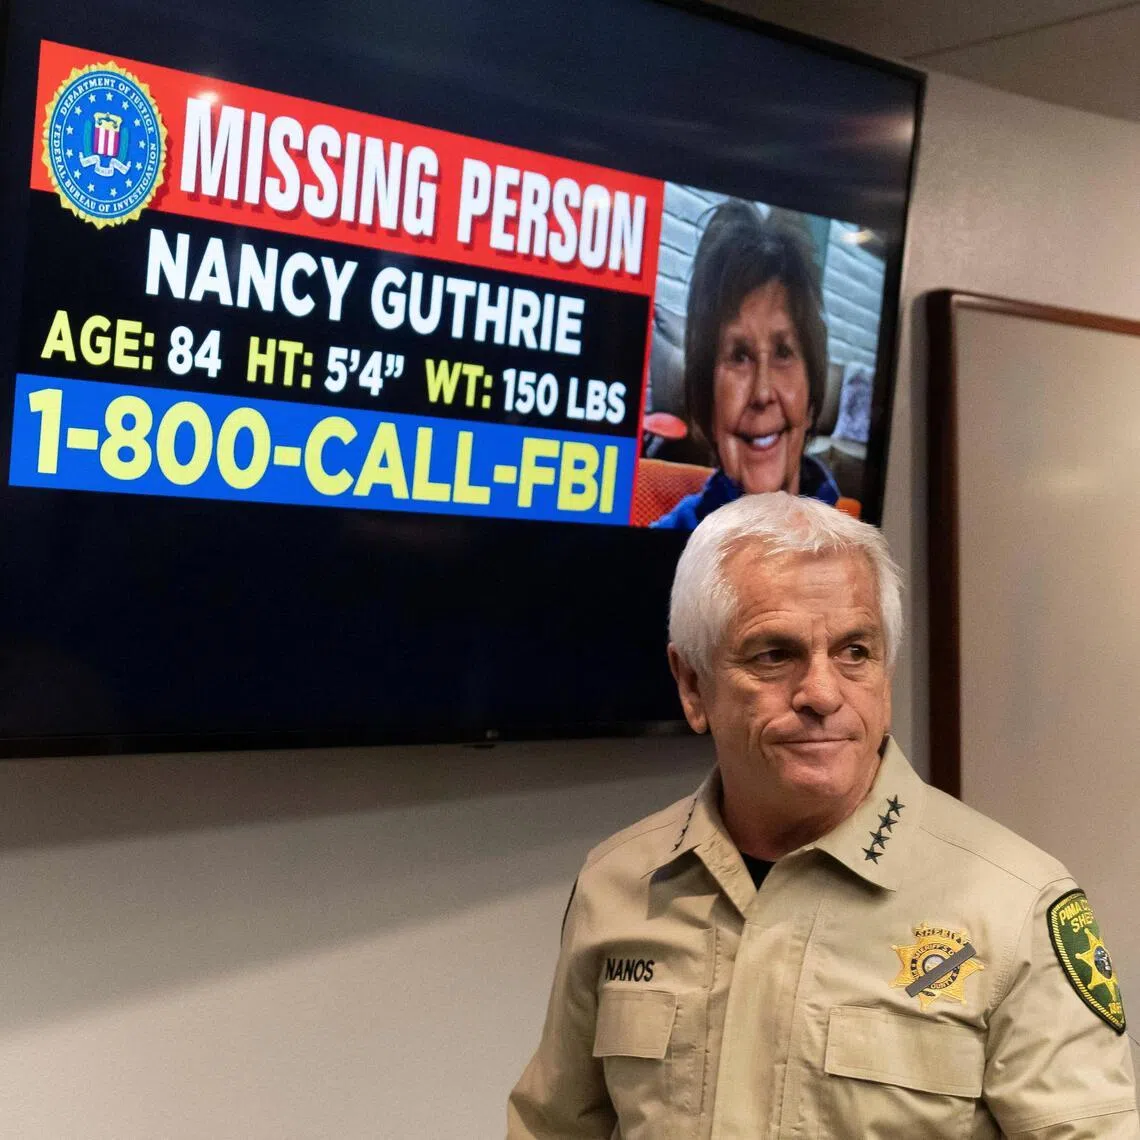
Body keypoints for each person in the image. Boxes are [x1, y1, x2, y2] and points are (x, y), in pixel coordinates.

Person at [508, 493, 1138, 1138]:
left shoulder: (1015, 906)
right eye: (773, 655)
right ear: (692, 685)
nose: (823, 694)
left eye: (855, 652)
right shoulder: (621, 883)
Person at [651, 201, 840, 529]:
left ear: (811, 399)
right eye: (739, 356)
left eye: (783, 353)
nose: (762, 392)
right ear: (707, 400)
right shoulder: (658, 551)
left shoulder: (856, 554)